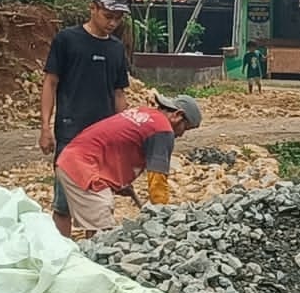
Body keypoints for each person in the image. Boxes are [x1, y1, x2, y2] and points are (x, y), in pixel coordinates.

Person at [40, 0, 133, 237]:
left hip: (103, 138)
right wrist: (45, 127)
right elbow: (50, 82)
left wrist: (124, 134)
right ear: (92, 8)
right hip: (71, 133)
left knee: (97, 203)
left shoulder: (116, 49)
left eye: (118, 18)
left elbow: (119, 93)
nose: (112, 23)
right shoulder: (67, 40)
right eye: (108, 16)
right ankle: (62, 249)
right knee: (63, 203)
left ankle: (94, 253)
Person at [51, 95, 202, 239]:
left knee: (80, 217)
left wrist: (119, 181)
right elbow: (158, 181)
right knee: (102, 231)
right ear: (178, 115)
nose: (181, 135)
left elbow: (117, 144)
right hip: (83, 168)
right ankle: (91, 256)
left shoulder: (144, 113)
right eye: (185, 128)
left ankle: (64, 253)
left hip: (69, 159)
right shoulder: (163, 129)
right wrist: (162, 216)